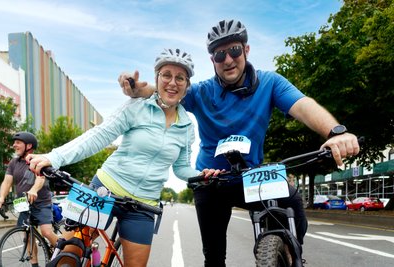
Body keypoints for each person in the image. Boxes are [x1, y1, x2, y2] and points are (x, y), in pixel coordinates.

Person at [118, 19, 360, 266]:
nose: (228, 60)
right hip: (210, 179)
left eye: (234, 50)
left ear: (246, 50)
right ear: (212, 60)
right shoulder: (201, 92)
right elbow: (168, 89)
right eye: (219, 55)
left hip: (252, 176)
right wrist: (138, 90)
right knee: (213, 257)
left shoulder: (270, 83)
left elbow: (303, 106)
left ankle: (289, 254)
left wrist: (335, 132)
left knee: (293, 203)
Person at [27, 48, 220, 267]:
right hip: (104, 190)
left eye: (180, 78)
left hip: (143, 206)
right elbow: (98, 135)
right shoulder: (136, 107)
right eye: (166, 75)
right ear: (157, 79)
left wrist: (200, 175)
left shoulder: (186, 127)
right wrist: (55, 157)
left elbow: (181, 168)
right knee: (67, 258)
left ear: (186, 86)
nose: (172, 82)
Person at [0, 131, 59, 267]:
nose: (14, 145)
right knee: (27, 235)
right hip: (22, 203)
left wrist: (34, 190)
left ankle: (64, 250)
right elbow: (7, 182)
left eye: (18, 143)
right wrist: (1, 197)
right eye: (14, 143)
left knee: (46, 232)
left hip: (41, 202)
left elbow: (40, 178)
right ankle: (34, 264)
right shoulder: (13, 163)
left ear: (29, 145)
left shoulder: (38, 160)